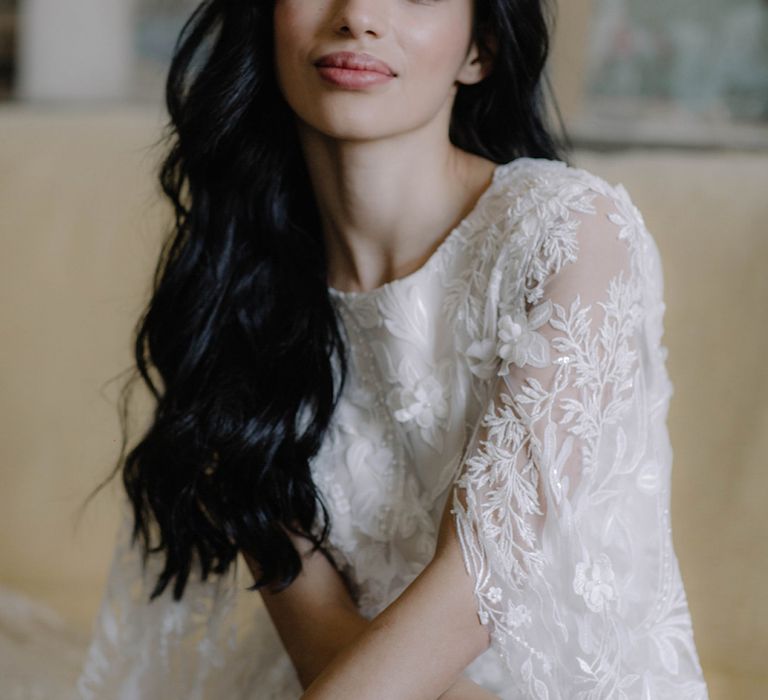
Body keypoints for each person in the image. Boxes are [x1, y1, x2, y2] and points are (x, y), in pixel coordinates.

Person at [74, 0, 710, 698]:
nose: (359, 16)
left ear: (480, 51)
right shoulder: (237, 294)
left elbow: (476, 589)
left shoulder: (568, 235)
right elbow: (319, 634)